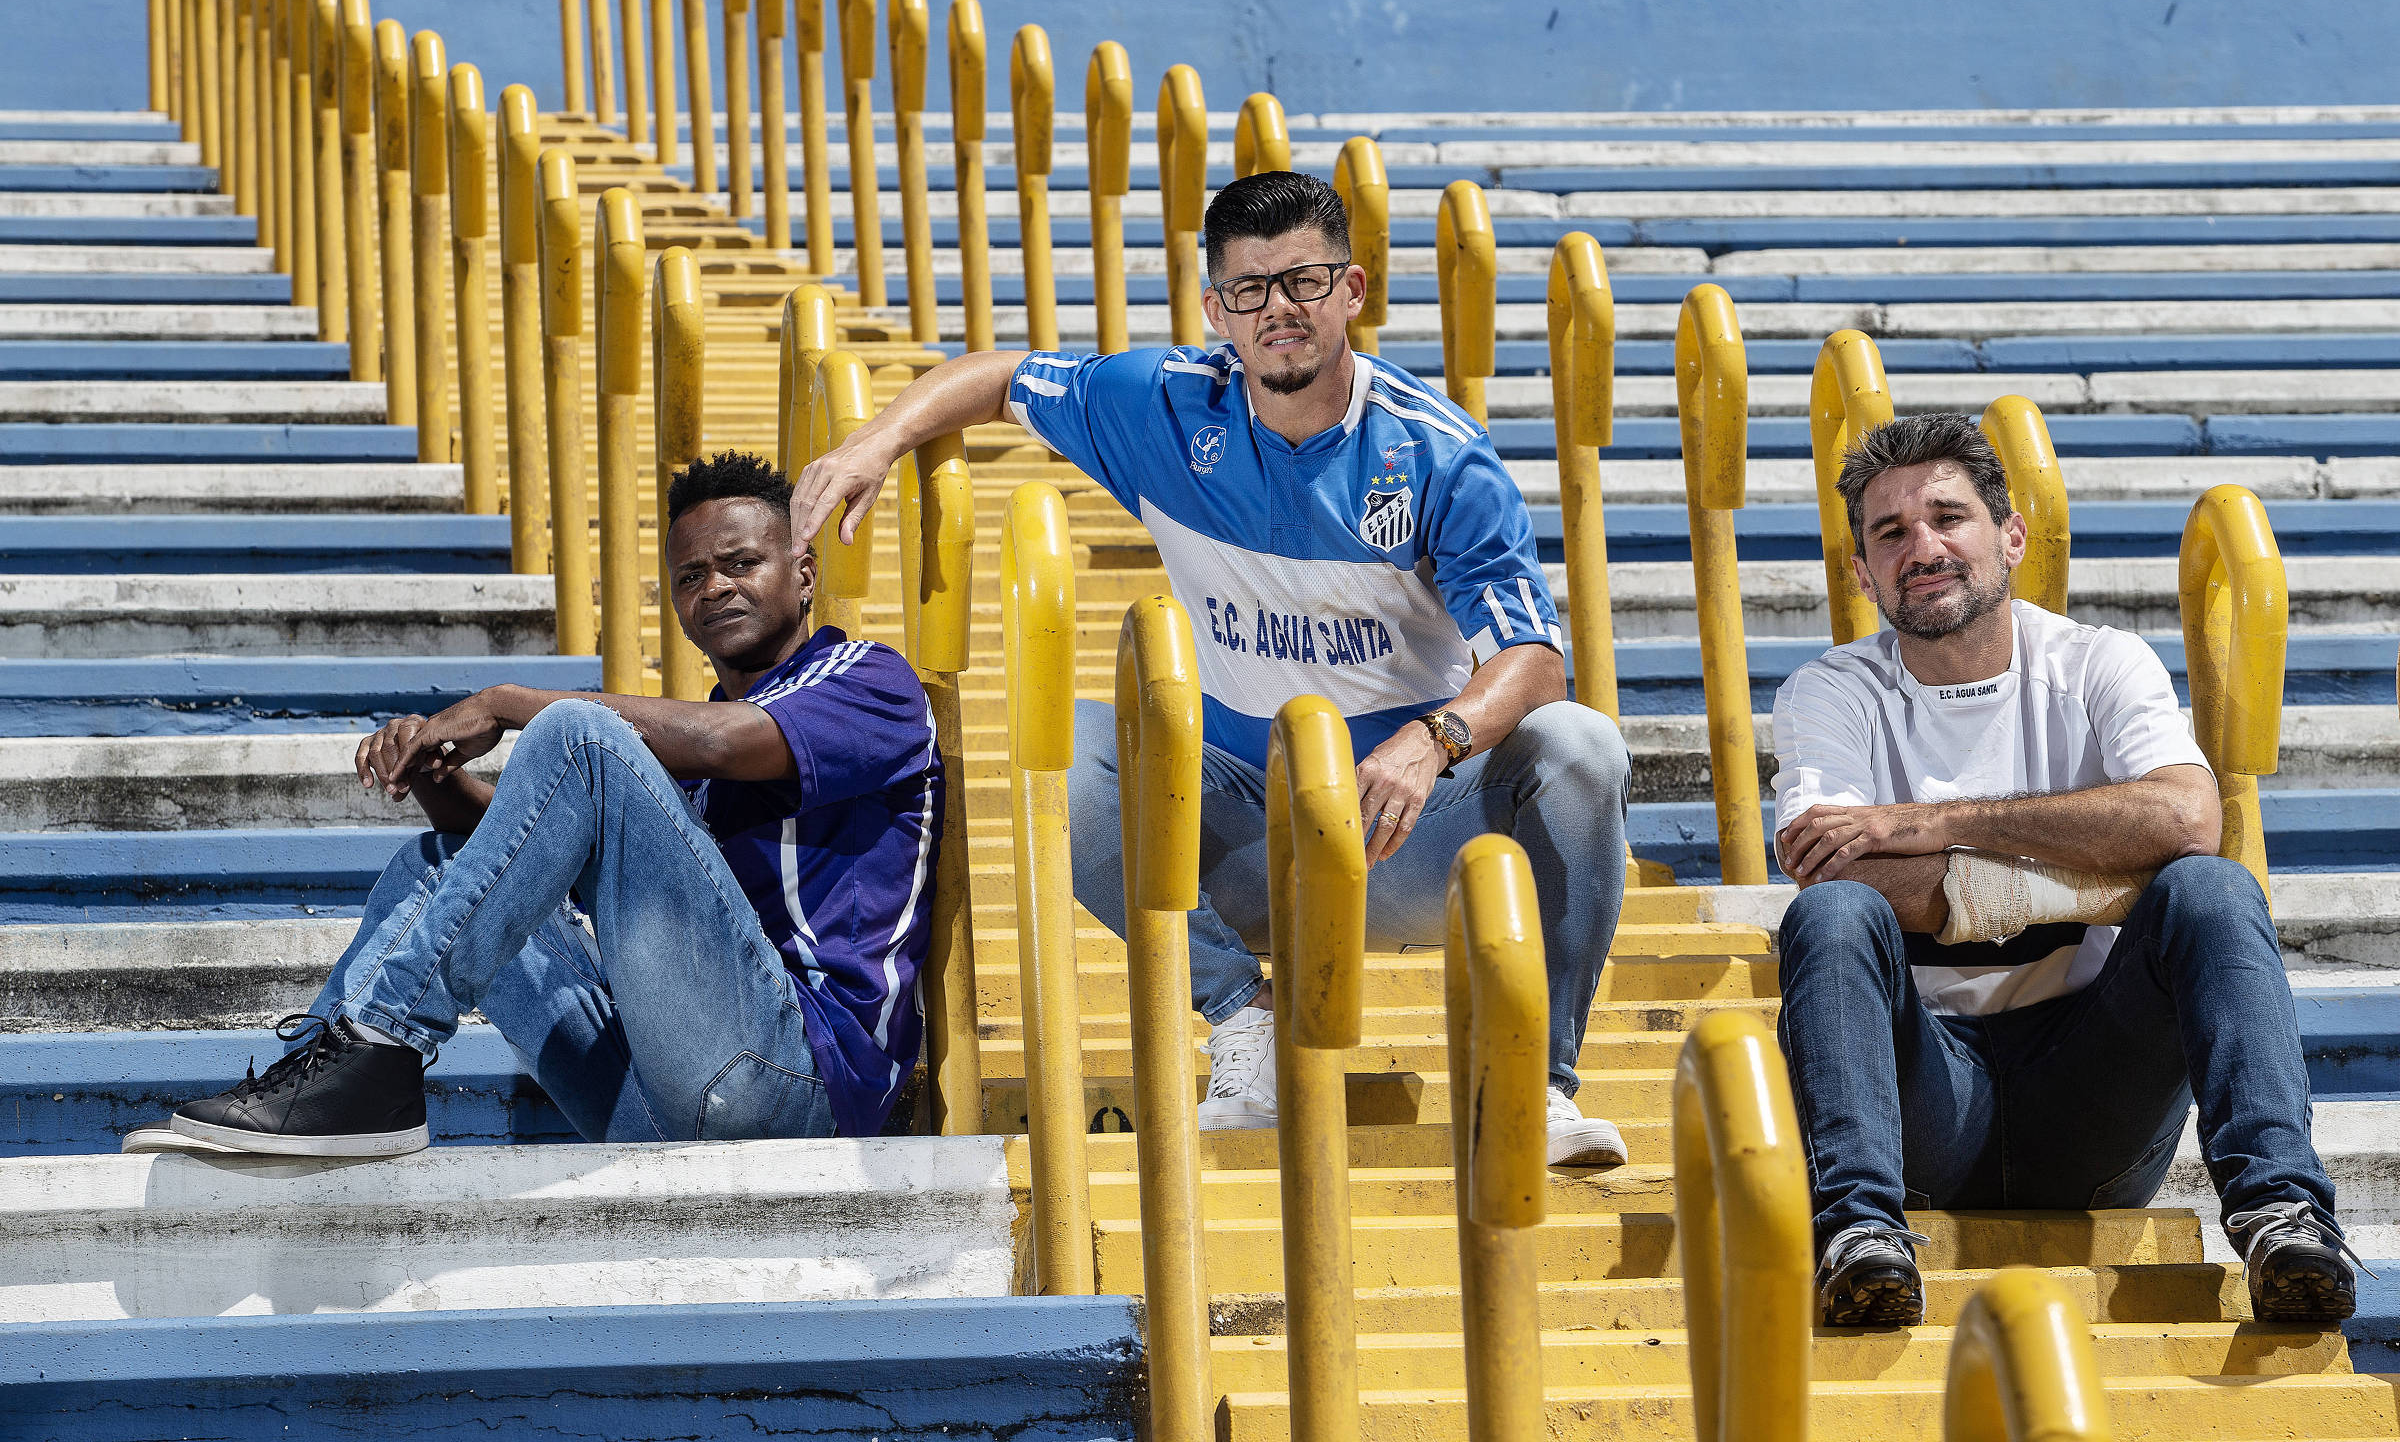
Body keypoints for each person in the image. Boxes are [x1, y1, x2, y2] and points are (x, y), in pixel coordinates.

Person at [793, 170, 1633, 1167]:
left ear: (1353, 291)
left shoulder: (1437, 453)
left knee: (1582, 747)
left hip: (1411, 836)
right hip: (1250, 833)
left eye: (1305, 282)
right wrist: (874, 441)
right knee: (1070, 749)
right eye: (1250, 289)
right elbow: (1002, 378)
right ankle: (1244, 1021)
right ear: (1214, 310)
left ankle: (1535, 1082)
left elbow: (1535, 659)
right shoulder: (1162, 408)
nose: (1278, 308)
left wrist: (1431, 739)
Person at [161, 452, 943, 1155]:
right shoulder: (681, 756)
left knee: (579, 731)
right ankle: (338, 1072)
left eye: (741, 563)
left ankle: (384, 1038)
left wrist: (505, 702)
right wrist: (433, 773)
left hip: (798, 1091)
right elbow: (530, 854)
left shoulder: (870, 682)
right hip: (661, 1097)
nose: (716, 588)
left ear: (803, 574)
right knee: (440, 865)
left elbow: (723, 742)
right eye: (691, 576)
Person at [1771, 412, 2354, 1327]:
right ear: (1862, 572)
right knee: (1831, 920)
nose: (1921, 547)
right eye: (1890, 533)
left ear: (2009, 537)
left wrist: (1929, 824)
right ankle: (1859, 1231)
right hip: (1923, 1095)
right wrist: (2106, 879)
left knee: (2211, 890)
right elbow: (1839, 878)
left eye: (1947, 518)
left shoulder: (2098, 662)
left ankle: (2283, 1214)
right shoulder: (1830, 691)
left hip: (2094, 1096)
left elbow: (2186, 820)